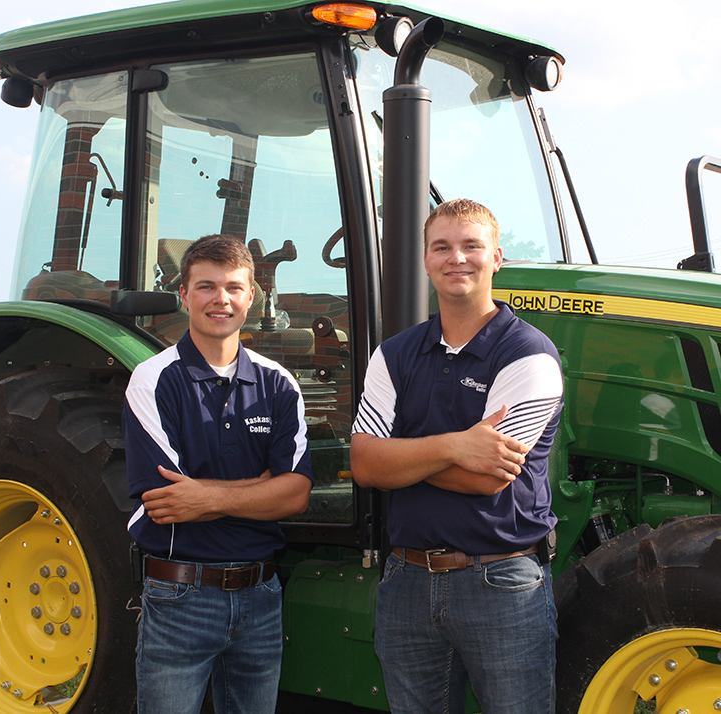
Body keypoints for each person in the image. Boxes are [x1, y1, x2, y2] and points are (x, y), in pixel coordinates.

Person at [351, 199, 563, 714]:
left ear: (496, 257)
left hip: (501, 584)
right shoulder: (394, 354)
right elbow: (363, 465)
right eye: (441, 247)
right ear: (425, 259)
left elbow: (487, 477)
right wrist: (453, 445)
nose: (456, 258)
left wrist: (400, 459)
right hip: (406, 583)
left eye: (471, 246)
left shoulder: (528, 354)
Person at [123, 234, 313, 714]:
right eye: (206, 287)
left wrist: (207, 496)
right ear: (184, 295)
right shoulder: (153, 378)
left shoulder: (278, 384)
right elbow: (167, 501)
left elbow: (295, 495)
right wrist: (265, 482)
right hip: (181, 597)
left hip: (261, 598)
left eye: (233, 287)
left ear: (253, 296)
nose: (220, 299)